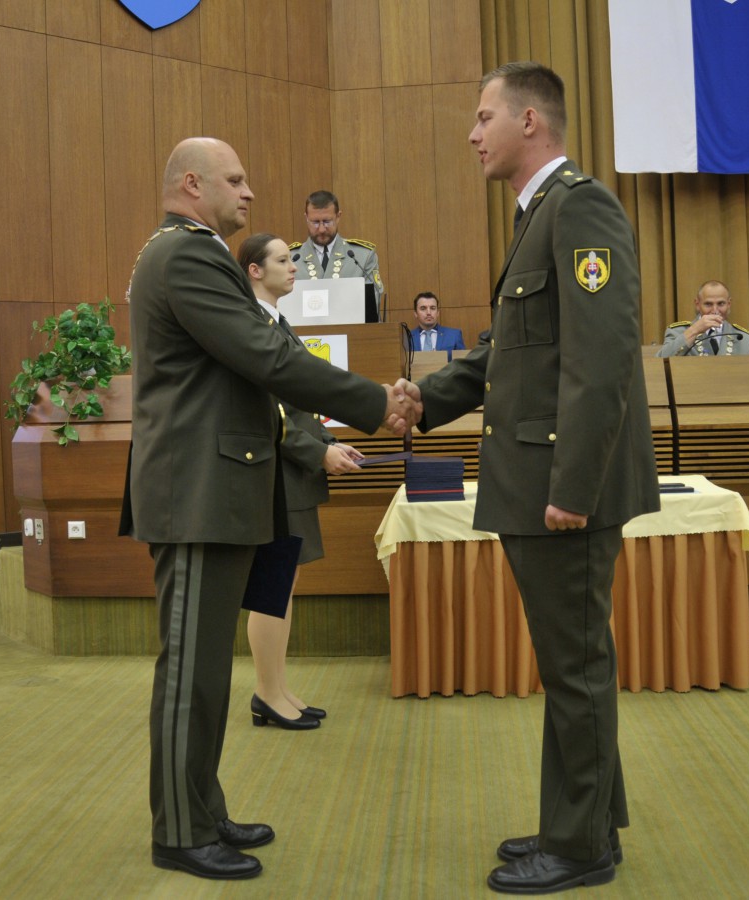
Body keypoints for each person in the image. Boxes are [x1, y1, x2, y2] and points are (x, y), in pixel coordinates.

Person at [120, 137, 417, 882]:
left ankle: (203, 808)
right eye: (236, 179)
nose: (249, 192)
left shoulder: (191, 253)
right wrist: (374, 402)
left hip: (211, 489)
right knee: (191, 671)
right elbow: (268, 357)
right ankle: (180, 831)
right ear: (193, 185)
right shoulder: (186, 256)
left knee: (206, 670)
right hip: (195, 493)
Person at [402, 62, 659, 894]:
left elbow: (600, 359)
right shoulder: (539, 214)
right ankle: (583, 825)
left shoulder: (578, 207)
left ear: (529, 122)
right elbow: (507, 354)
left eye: (484, 117)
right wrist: (423, 399)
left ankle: (578, 850)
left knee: (574, 668)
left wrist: (571, 489)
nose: (472, 134)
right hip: (539, 480)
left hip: (560, 489)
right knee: (569, 664)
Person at [237, 232, 365, 732]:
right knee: (272, 586)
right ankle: (267, 693)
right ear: (254, 270)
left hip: (290, 472)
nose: (293, 267)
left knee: (284, 584)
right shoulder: (252, 324)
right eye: (282, 260)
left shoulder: (274, 320)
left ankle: (277, 687)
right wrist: (318, 452)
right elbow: (267, 409)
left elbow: (299, 401)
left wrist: (329, 442)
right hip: (273, 476)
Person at [289, 190, 385, 319]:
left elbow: (372, 303)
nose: (321, 229)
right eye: (315, 222)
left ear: (338, 216)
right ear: (306, 218)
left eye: (327, 222)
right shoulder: (291, 258)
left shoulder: (362, 256)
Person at [655, 280, 749, 356]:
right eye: (708, 304)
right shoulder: (677, 332)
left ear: (729, 304)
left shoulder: (745, 339)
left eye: (721, 304)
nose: (715, 310)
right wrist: (694, 330)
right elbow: (661, 361)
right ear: (697, 304)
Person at [409, 291, 468, 355]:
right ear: (415, 313)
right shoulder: (407, 338)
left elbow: (461, 361)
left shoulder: (454, 335)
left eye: (432, 308)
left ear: (437, 313)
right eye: (423, 308)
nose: (428, 312)